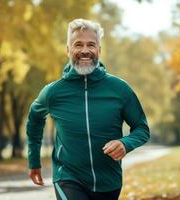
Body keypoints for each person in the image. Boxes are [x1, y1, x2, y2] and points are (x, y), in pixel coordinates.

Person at [26, 18, 150, 200]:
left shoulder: (119, 89)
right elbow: (35, 119)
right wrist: (34, 160)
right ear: (68, 50)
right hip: (68, 177)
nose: (85, 50)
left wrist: (125, 143)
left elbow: (142, 129)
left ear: (99, 50)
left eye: (91, 45)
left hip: (109, 181)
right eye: (78, 45)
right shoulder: (53, 92)